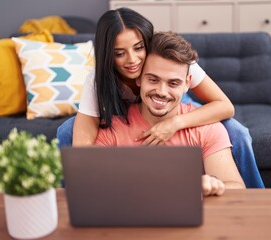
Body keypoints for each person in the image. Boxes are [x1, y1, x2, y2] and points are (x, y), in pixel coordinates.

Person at [56, 7, 264, 188]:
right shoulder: (98, 79)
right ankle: (68, 200)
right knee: (66, 131)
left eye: (138, 48)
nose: (132, 60)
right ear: (108, 55)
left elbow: (224, 106)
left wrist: (175, 123)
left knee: (237, 132)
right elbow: (83, 151)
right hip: (125, 112)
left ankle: (257, 199)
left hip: (175, 106)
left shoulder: (175, 61)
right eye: (120, 53)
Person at [95, 31, 246, 195]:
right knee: (67, 130)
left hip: (188, 218)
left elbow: (237, 189)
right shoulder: (111, 128)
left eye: (173, 83)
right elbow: (92, 189)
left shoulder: (207, 129)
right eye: (153, 80)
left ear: (187, 83)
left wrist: (214, 186)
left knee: (238, 132)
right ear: (138, 79)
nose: (161, 91)